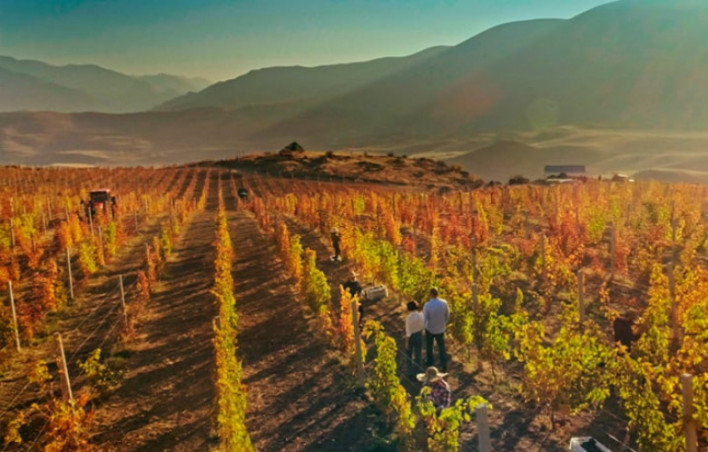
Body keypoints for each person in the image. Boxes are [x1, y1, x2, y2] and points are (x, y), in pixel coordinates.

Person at [423, 287, 449, 372]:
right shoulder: (444, 303)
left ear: (430, 294)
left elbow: (425, 318)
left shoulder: (427, 305)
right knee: (441, 347)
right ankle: (444, 365)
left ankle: (430, 364)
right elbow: (447, 315)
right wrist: (443, 323)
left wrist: (425, 327)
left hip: (430, 329)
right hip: (441, 329)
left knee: (430, 347)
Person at [405, 300, 424, 378]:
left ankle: (410, 372)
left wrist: (406, 342)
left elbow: (408, 331)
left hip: (411, 336)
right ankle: (417, 371)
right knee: (418, 354)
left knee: (409, 354)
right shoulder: (421, 315)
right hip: (419, 334)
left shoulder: (409, 318)